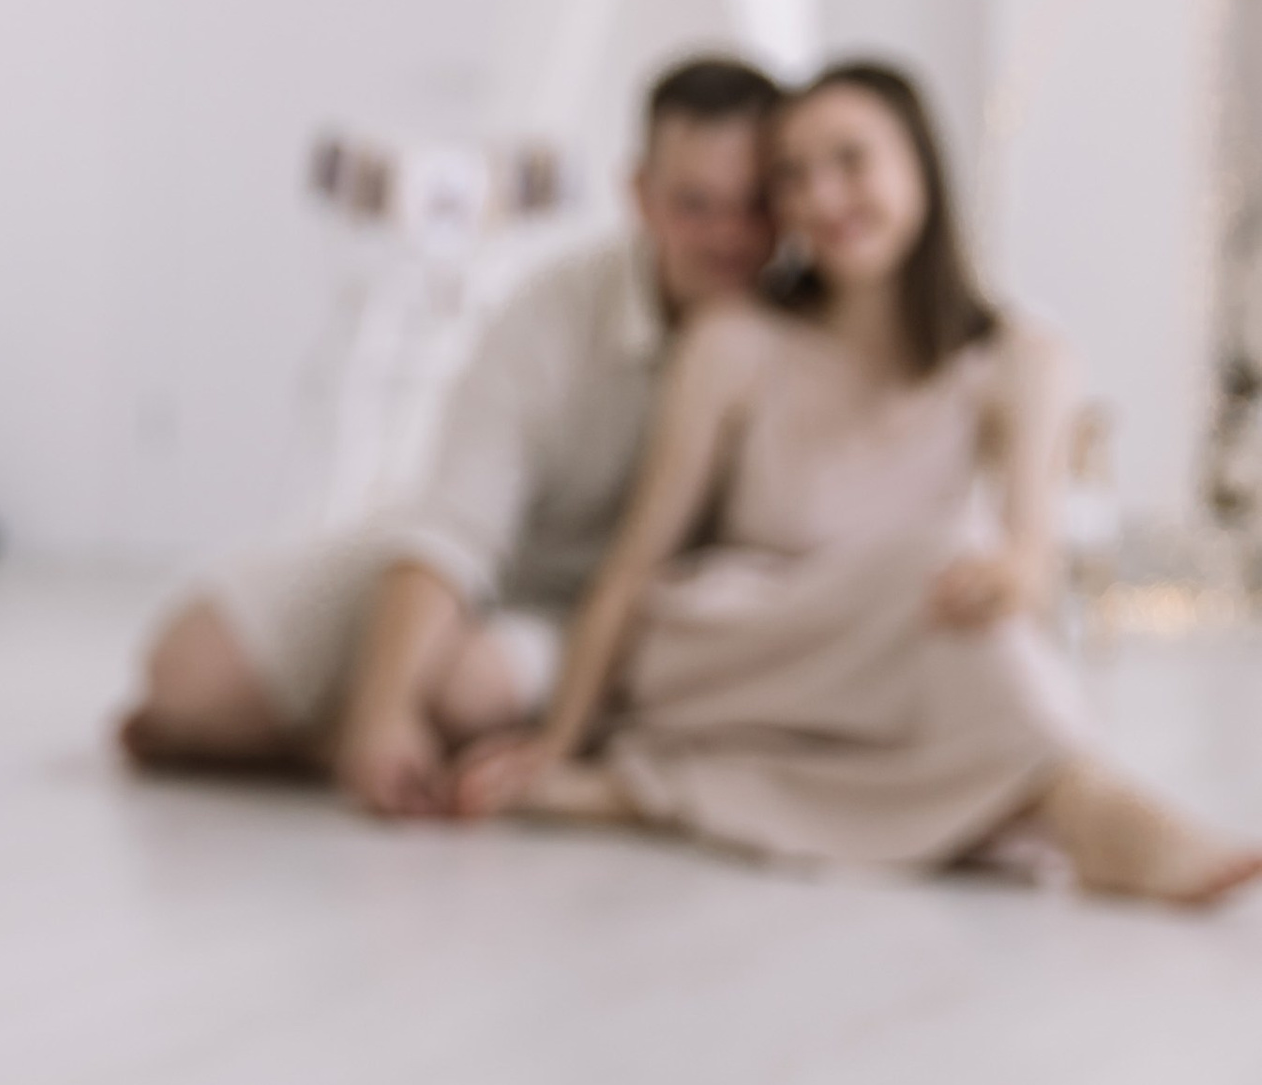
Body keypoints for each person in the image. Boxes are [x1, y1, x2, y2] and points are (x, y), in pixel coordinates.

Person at [458, 59, 1260, 904]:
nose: (821, 199)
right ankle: (1086, 808)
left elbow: (1033, 563)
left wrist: (1004, 579)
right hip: (727, 647)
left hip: (898, 664)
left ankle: (656, 792)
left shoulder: (1023, 362)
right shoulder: (735, 344)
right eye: (792, 177)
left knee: (957, 589)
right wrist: (560, 739)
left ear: (920, 164)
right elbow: (632, 563)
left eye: (850, 161)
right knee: (938, 561)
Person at [122, 56, 782, 811]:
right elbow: (453, 525)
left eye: (751, 205)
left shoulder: (792, 338)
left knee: (473, 688)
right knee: (186, 670)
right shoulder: (555, 307)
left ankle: (324, 741)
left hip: (597, 618)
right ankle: (350, 737)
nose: (727, 235)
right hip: (497, 564)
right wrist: (381, 713)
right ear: (640, 194)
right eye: (695, 205)